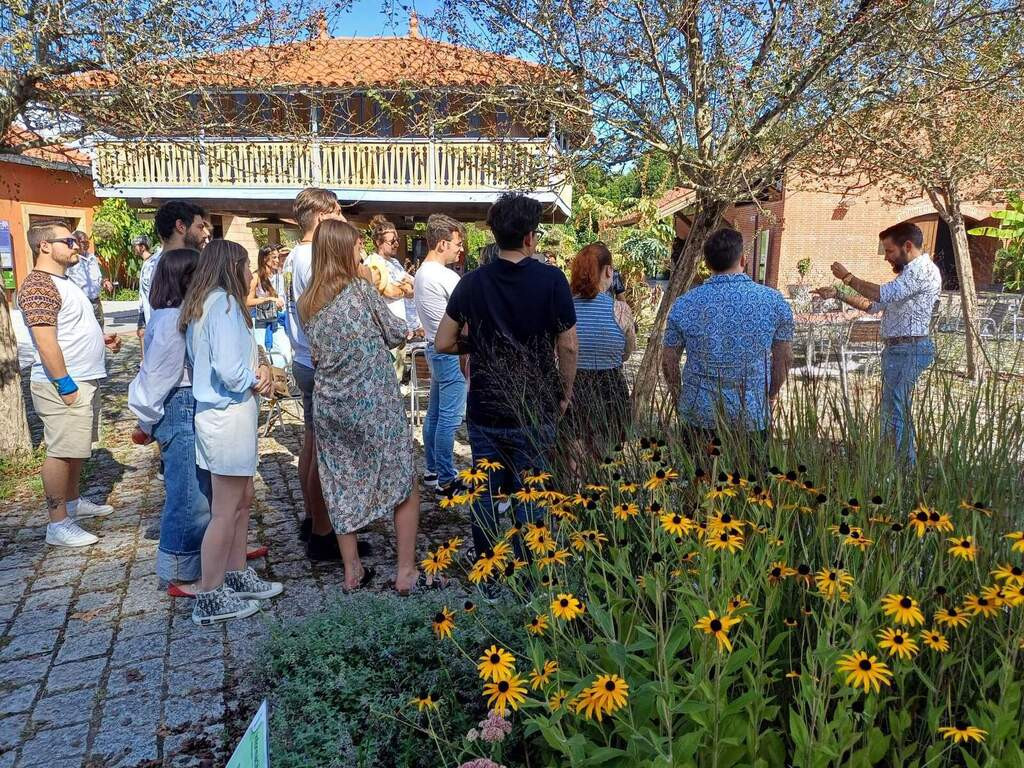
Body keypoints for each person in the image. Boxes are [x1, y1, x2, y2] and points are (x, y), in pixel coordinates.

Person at [434, 193, 578, 566]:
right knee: (531, 490)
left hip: (485, 407)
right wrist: (565, 391)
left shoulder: (472, 282)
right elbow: (569, 345)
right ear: (530, 237)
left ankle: (488, 566)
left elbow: (443, 341)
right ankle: (530, 570)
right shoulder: (552, 280)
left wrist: (477, 344)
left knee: (484, 491)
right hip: (537, 405)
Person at [298, 219, 421, 594]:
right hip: (373, 402)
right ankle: (405, 570)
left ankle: (352, 570)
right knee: (403, 480)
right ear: (341, 250)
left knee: (340, 481)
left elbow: (318, 354)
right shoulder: (360, 289)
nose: (360, 252)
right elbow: (392, 331)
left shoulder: (307, 302)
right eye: (355, 246)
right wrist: (412, 331)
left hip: (332, 403)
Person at [179, 239, 282, 625]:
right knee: (224, 510)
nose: (251, 273)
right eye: (245, 265)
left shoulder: (212, 303)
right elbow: (229, 368)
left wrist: (261, 369)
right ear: (230, 266)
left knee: (241, 501)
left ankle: (235, 574)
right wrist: (257, 380)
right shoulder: (221, 304)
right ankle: (210, 592)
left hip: (225, 414)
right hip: (227, 414)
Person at [19, 222, 121, 547]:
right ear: (44, 246)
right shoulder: (38, 285)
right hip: (63, 384)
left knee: (76, 449)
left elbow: (69, 326)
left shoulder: (62, 281)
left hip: (82, 377)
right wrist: (64, 383)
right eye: (69, 240)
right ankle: (58, 523)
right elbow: (46, 342)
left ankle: (74, 503)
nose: (76, 245)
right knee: (61, 452)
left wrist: (99, 338)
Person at [813, 221, 941, 464]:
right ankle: (899, 465)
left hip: (909, 349)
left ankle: (900, 469)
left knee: (895, 412)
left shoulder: (922, 271)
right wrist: (838, 294)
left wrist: (848, 278)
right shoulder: (907, 277)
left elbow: (880, 294)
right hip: (898, 349)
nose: (886, 258)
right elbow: (873, 306)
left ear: (907, 246)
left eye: (889, 251)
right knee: (894, 410)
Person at [662, 228, 794, 445]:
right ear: (743, 259)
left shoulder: (684, 304)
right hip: (751, 414)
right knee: (749, 478)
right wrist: (770, 396)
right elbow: (784, 359)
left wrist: (680, 398)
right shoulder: (774, 302)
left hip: (699, 412)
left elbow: (668, 361)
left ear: (707, 264)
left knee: (698, 478)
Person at [127, 248, 212, 587]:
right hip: (179, 406)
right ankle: (179, 572)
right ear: (187, 279)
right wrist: (145, 421)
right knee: (187, 494)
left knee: (197, 491)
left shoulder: (176, 316)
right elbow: (156, 379)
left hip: (184, 404)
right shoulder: (171, 322)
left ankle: (196, 561)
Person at [282, 187, 348, 561]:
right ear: (321, 216)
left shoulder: (294, 255)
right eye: (337, 212)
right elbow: (318, 311)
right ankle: (323, 530)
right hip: (319, 360)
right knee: (324, 451)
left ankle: (312, 518)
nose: (341, 218)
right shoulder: (311, 256)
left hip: (304, 358)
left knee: (311, 441)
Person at [565, 242, 636, 459]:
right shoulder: (621, 310)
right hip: (610, 386)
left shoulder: (565, 307)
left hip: (573, 386)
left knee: (574, 454)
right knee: (607, 454)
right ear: (608, 271)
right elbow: (627, 352)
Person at [413, 214, 467, 493]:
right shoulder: (445, 276)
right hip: (450, 352)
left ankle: (433, 469)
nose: (461, 248)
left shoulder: (421, 273)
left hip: (434, 348)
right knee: (448, 419)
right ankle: (446, 478)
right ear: (443, 243)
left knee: (434, 415)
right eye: (458, 243)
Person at [367, 215, 416, 379]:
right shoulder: (373, 263)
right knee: (387, 377)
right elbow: (387, 291)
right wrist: (402, 289)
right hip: (383, 331)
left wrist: (402, 288)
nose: (396, 244)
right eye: (391, 241)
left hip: (400, 327)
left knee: (398, 376)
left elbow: (411, 287)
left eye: (397, 240)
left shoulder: (395, 263)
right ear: (378, 243)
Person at [247, 244, 289, 360]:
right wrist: (269, 299)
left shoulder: (280, 276)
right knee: (262, 355)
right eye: (274, 257)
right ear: (265, 258)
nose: (277, 260)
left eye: (277, 257)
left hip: (277, 319)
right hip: (261, 320)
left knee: (285, 353)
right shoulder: (256, 277)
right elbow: (247, 301)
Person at [66, 230, 113, 328]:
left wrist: (105, 281)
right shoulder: (71, 260)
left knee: (100, 328)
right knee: (86, 329)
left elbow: (97, 275)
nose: (87, 245)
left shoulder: (92, 258)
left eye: (88, 242)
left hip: (95, 301)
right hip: (80, 302)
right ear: (76, 242)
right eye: (84, 242)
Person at [133, 235, 154, 348]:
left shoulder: (151, 264)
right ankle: (143, 362)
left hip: (151, 309)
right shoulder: (146, 263)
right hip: (143, 307)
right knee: (141, 333)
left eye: (135, 246)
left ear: (142, 247)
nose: (134, 249)